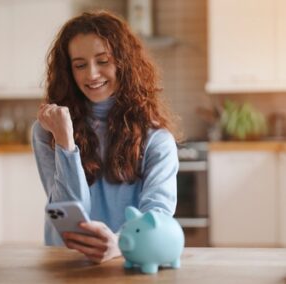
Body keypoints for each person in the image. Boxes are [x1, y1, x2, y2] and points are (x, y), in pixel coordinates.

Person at [32, 10, 180, 264]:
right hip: (64, 263)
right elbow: (70, 210)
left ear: (124, 63)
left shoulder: (156, 139)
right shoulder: (48, 130)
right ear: (69, 71)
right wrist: (66, 142)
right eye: (79, 65)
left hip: (127, 259)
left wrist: (120, 243)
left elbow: (158, 216)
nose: (91, 74)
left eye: (103, 60)